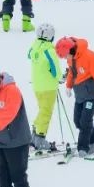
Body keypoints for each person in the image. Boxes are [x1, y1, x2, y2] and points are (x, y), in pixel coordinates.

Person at [56, 36, 94, 157]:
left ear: (70, 50)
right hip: (80, 94)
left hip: (92, 94)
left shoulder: (89, 56)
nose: (64, 58)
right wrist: (69, 86)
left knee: (85, 121)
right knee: (78, 121)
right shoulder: (71, 58)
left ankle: (83, 148)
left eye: (64, 56)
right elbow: (71, 72)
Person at [27, 23, 61, 151]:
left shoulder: (34, 47)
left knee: (42, 109)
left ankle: (34, 136)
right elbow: (55, 69)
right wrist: (59, 77)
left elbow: (29, 55)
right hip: (49, 87)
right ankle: (40, 138)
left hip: (37, 86)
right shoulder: (49, 50)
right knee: (46, 112)